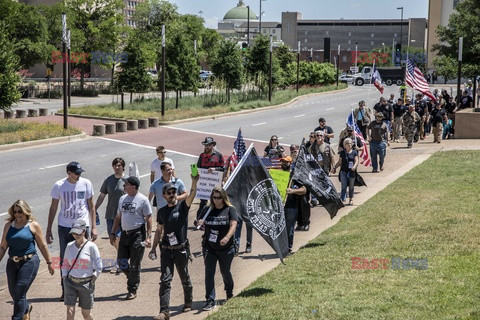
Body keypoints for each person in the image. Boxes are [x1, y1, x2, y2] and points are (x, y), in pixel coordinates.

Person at [150, 175, 199, 320]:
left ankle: (188, 301)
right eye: (169, 193)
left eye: (174, 192)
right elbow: (159, 230)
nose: (172, 195)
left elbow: (192, 194)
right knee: (165, 280)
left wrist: (194, 182)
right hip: (166, 249)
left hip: (181, 249)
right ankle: (164, 312)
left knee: (184, 276)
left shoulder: (183, 207)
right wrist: (153, 248)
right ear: (164, 196)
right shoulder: (162, 212)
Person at [46, 161, 96, 301]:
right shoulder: (59, 185)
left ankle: (86, 288)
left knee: (84, 257)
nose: (79, 175)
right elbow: (53, 208)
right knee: (65, 259)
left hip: (82, 225)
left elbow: (91, 206)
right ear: (68, 173)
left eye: (80, 173)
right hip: (65, 226)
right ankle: (66, 290)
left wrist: (94, 227)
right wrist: (48, 229)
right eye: (76, 173)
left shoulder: (86, 183)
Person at [0, 200, 54, 320]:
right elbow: (3, 246)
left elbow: (42, 245)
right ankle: (25, 309)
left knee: (20, 291)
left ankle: (17, 318)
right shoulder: (9, 225)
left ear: (26, 211)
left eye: (20, 211)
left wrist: (49, 263)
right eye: (15, 212)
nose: (17, 214)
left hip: (29, 261)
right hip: (12, 262)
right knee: (14, 293)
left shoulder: (33, 225)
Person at [110, 176, 152, 300]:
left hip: (137, 234)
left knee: (134, 264)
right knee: (121, 262)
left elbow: (148, 218)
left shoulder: (143, 200)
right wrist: (113, 232)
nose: (124, 187)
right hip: (125, 234)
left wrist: (149, 237)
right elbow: (118, 217)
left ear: (133, 187)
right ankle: (132, 277)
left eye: (125, 185)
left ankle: (132, 289)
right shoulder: (123, 199)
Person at [197, 187, 239, 312]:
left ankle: (229, 292)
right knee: (209, 274)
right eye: (214, 197)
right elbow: (199, 223)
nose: (216, 200)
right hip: (210, 248)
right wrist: (199, 222)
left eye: (219, 197)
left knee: (225, 272)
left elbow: (234, 225)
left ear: (224, 197)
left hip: (226, 248)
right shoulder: (207, 209)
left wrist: (227, 237)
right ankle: (210, 300)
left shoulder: (230, 210)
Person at [62, 219, 102, 320]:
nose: (75, 235)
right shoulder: (69, 246)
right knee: (70, 312)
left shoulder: (91, 246)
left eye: (78, 233)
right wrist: (64, 277)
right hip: (70, 282)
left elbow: (99, 265)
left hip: (86, 283)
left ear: (84, 231)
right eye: (73, 233)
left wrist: (93, 278)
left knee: (86, 314)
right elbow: (65, 263)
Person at [94, 157, 125, 273]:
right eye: (115, 166)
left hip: (123, 216)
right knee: (112, 241)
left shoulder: (127, 180)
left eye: (119, 165)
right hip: (110, 214)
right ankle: (123, 257)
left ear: (123, 167)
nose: (117, 168)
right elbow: (102, 196)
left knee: (118, 238)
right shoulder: (108, 180)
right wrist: (94, 209)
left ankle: (120, 262)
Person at [281, 157, 306, 254]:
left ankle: (288, 248)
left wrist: (293, 191)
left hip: (291, 206)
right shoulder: (278, 175)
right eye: (282, 162)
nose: (283, 163)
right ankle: (282, 247)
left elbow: (304, 190)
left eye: (286, 162)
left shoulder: (295, 176)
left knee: (289, 228)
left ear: (290, 163)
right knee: (280, 228)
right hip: (280, 206)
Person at [196, 137, 225, 221]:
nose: (206, 147)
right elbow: (198, 168)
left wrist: (215, 169)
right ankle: (199, 220)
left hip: (214, 184)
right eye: (205, 145)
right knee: (203, 203)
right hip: (204, 185)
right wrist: (195, 173)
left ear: (213, 145)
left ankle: (214, 219)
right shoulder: (202, 156)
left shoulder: (218, 155)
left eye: (208, 145)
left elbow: (223, 168)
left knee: (216, 202)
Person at [332, 138, 359, 205]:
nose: (349, 145)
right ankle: (342, 199)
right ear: (345, 145)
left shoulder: (354, 152)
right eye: (347, 143)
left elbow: (356, 161)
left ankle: (351, 199)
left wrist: (354, 167)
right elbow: (339, 162)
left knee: (351, 186)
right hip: (343, 171)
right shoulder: (342, 153)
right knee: (343, 186)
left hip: (351, 172)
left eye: (350, 143)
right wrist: (335, 167)